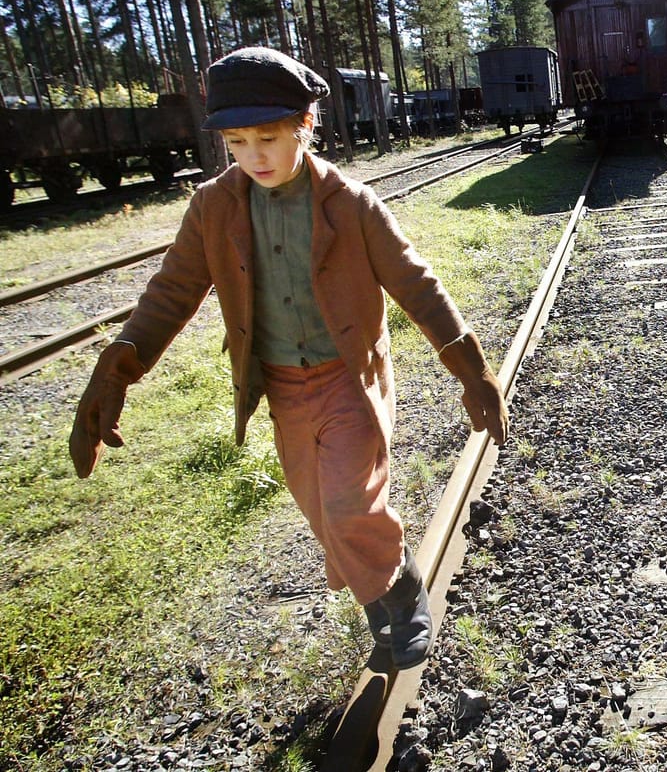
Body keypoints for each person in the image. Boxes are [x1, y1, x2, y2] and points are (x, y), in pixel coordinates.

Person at [67, 47, 509, 670]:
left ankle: (400, 592)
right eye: (237, 142)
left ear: (305, 124)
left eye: (269, 138)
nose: (255, 157)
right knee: (320, 511)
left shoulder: (351, 204)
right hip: (279, 385)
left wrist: (472, 368)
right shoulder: (213, 208)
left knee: (349, 502)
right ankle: (382, 581)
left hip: (346, 379)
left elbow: (416, 283)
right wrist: (118, 367)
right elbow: (171, 293)